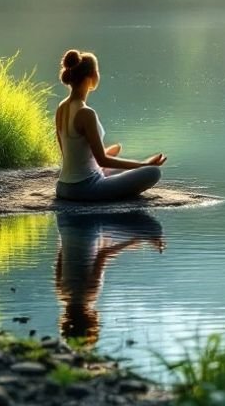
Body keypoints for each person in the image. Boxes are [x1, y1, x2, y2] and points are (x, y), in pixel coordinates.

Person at [55, 49, 165, 201]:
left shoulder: (61, 108)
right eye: (97, 71)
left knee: (116, 153)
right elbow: (102, 161)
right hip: (85, 189)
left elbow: (71, 155)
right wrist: (143, 164)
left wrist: (105, 154)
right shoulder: (86, 113)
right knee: (153, 172)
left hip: (63, 186)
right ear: (91, 76)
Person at [55, 210, 165, 344]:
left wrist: (131, 242)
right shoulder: (62, 292)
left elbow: (103, 254)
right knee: (107, 237)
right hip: (64, 223)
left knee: (152, 230)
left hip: (89, 225)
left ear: (90, 322)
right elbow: (61, 252)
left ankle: (147, 236)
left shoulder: (89, 293)